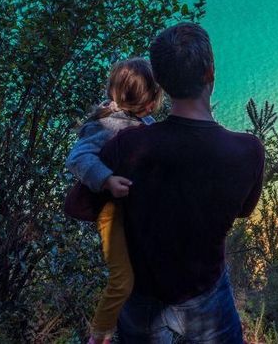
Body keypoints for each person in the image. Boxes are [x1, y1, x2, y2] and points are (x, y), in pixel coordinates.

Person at [99, 22, 265, 343]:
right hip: (207, 297)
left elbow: (84, 202)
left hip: (141, 301)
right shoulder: (247, 151)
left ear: (158, 81)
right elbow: (244, 210)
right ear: (210, 73)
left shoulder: (127, 146)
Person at [65, 58, 164, 344]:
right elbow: (77, 158)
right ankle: (99, 335)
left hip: (133, 210)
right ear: (148, 102)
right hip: (111, 212)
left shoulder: (144, 122)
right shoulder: (106, 125)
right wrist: (106, 179)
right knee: (123, 281)